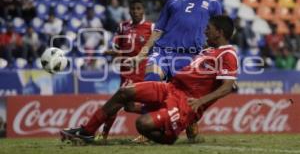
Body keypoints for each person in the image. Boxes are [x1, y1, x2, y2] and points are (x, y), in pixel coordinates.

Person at [60, 15, 238, 145]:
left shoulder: (228, 54)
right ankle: (87, 132)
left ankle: (170, 135)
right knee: (125, 92)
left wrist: (200, 102)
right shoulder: (207, 50)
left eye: (209, 28)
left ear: (219, 32)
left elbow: (228, 87)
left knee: (142, 124)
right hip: (170, 88)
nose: (205, 30)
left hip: (184, 104)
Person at [125, 0, 222, 141]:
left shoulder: (213, 5)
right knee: (151, 83)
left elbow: (217, 35)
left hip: (190, 57)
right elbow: (158, 30)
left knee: (180, 99)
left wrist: (214, 59)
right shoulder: (173, 1)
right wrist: (141, 54)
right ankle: (147, 132)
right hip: (163, 52)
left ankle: (188, 120)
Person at [100, 0, 153, 141]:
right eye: (133, 9)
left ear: (143, 11)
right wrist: (110, 52)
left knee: (115, 104)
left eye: (139, 9)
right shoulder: (123, 27)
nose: (136, 12)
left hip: (142, 73)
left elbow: (157, 48)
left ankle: (103, 135)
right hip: (126, 73)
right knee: (129, 107)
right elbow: (117, 48)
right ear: (128, 10)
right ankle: (155, 118)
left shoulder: (151, 28)